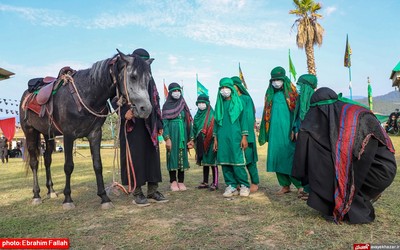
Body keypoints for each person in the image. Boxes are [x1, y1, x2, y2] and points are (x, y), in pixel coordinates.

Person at [292, 87, 397, 224]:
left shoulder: (354, 119)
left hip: (378, 170)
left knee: (330, 161)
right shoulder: (350, 112)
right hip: (380, 170)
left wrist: (341, 198)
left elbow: (362, 158)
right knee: (328, 157)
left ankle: (353, 202)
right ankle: (360, 195)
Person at [112, 48, 168, 207]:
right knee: (135, 158)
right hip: (132, 124)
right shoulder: (123, 76)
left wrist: (160, 123)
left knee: (152, 158)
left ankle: (153, 190)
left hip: (150, 124)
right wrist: (123, 113)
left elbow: (156, 102)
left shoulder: (150, 79)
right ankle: (137, 191)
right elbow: (113, 97)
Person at [258, 66, 303, 195]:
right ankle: (284, 185)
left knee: (291, 158)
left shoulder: (293, 94)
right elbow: (266, 116)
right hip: (274, 133)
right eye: (274, 80)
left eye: (278, 79)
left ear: (284, 79)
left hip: (289, 132)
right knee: (277, 157)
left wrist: (295, 128)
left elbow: (297, 114)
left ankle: (299, 185)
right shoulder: (270, 95)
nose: (276, 82)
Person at [213, 77, 250, 197]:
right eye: (222, 88)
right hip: (222, 137)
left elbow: (244, 121)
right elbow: (216, 123)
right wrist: (215, 139)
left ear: (231, 88)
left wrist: (244, 137)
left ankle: (244, 185)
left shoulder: (239, 103)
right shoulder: (219, 104)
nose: (224, 90)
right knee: (225, 162)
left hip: (236, 136)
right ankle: (231, 186)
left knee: (238, 162)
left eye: (226, 87)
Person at [162, 82, 193, 191]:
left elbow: (188, 121)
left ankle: (181, 181)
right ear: (170, 93)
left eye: (178, 90)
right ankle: (173, 181)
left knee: (182, 157)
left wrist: (190, 138)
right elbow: (164, 123)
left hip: (183, 136)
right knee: (172, 157)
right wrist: (167, 138)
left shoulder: (183, 105)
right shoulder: (166, 106)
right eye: (174, 91)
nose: (177, 93)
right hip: (172, 135)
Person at [292, 74, 318, 200]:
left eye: (300, 85)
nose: (297, 87)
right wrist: (295, 129)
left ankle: (312, 191)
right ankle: (306, 188)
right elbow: (297, 117)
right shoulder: (300, 99)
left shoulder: (315, 100)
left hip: (312, 138)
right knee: (303, 163)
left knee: (313, 163)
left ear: (306, 86)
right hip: (301, 137)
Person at [231, 76, 259, 193]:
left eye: (232, 85)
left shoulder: (246, 99)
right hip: (234, 136)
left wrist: (245, 135)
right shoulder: (229, 100)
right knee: (236, 161)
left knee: (249, 160)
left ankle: (255, 182)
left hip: (246, 136)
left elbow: (248, 117)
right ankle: (239, 182)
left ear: (237, 86)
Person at [190, 94, 218, 191]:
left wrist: (215, 140)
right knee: (204, 162)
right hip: (200, 142)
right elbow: (194, 129)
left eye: (203, 103)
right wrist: (192, 140)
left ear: (207, 103)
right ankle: (205, 182)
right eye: (199, 103)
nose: (201, 104)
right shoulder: (197, 115)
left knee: (213, 162)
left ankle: (215, 182)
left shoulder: (212, 114)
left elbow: (215, 128)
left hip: (211, 141)